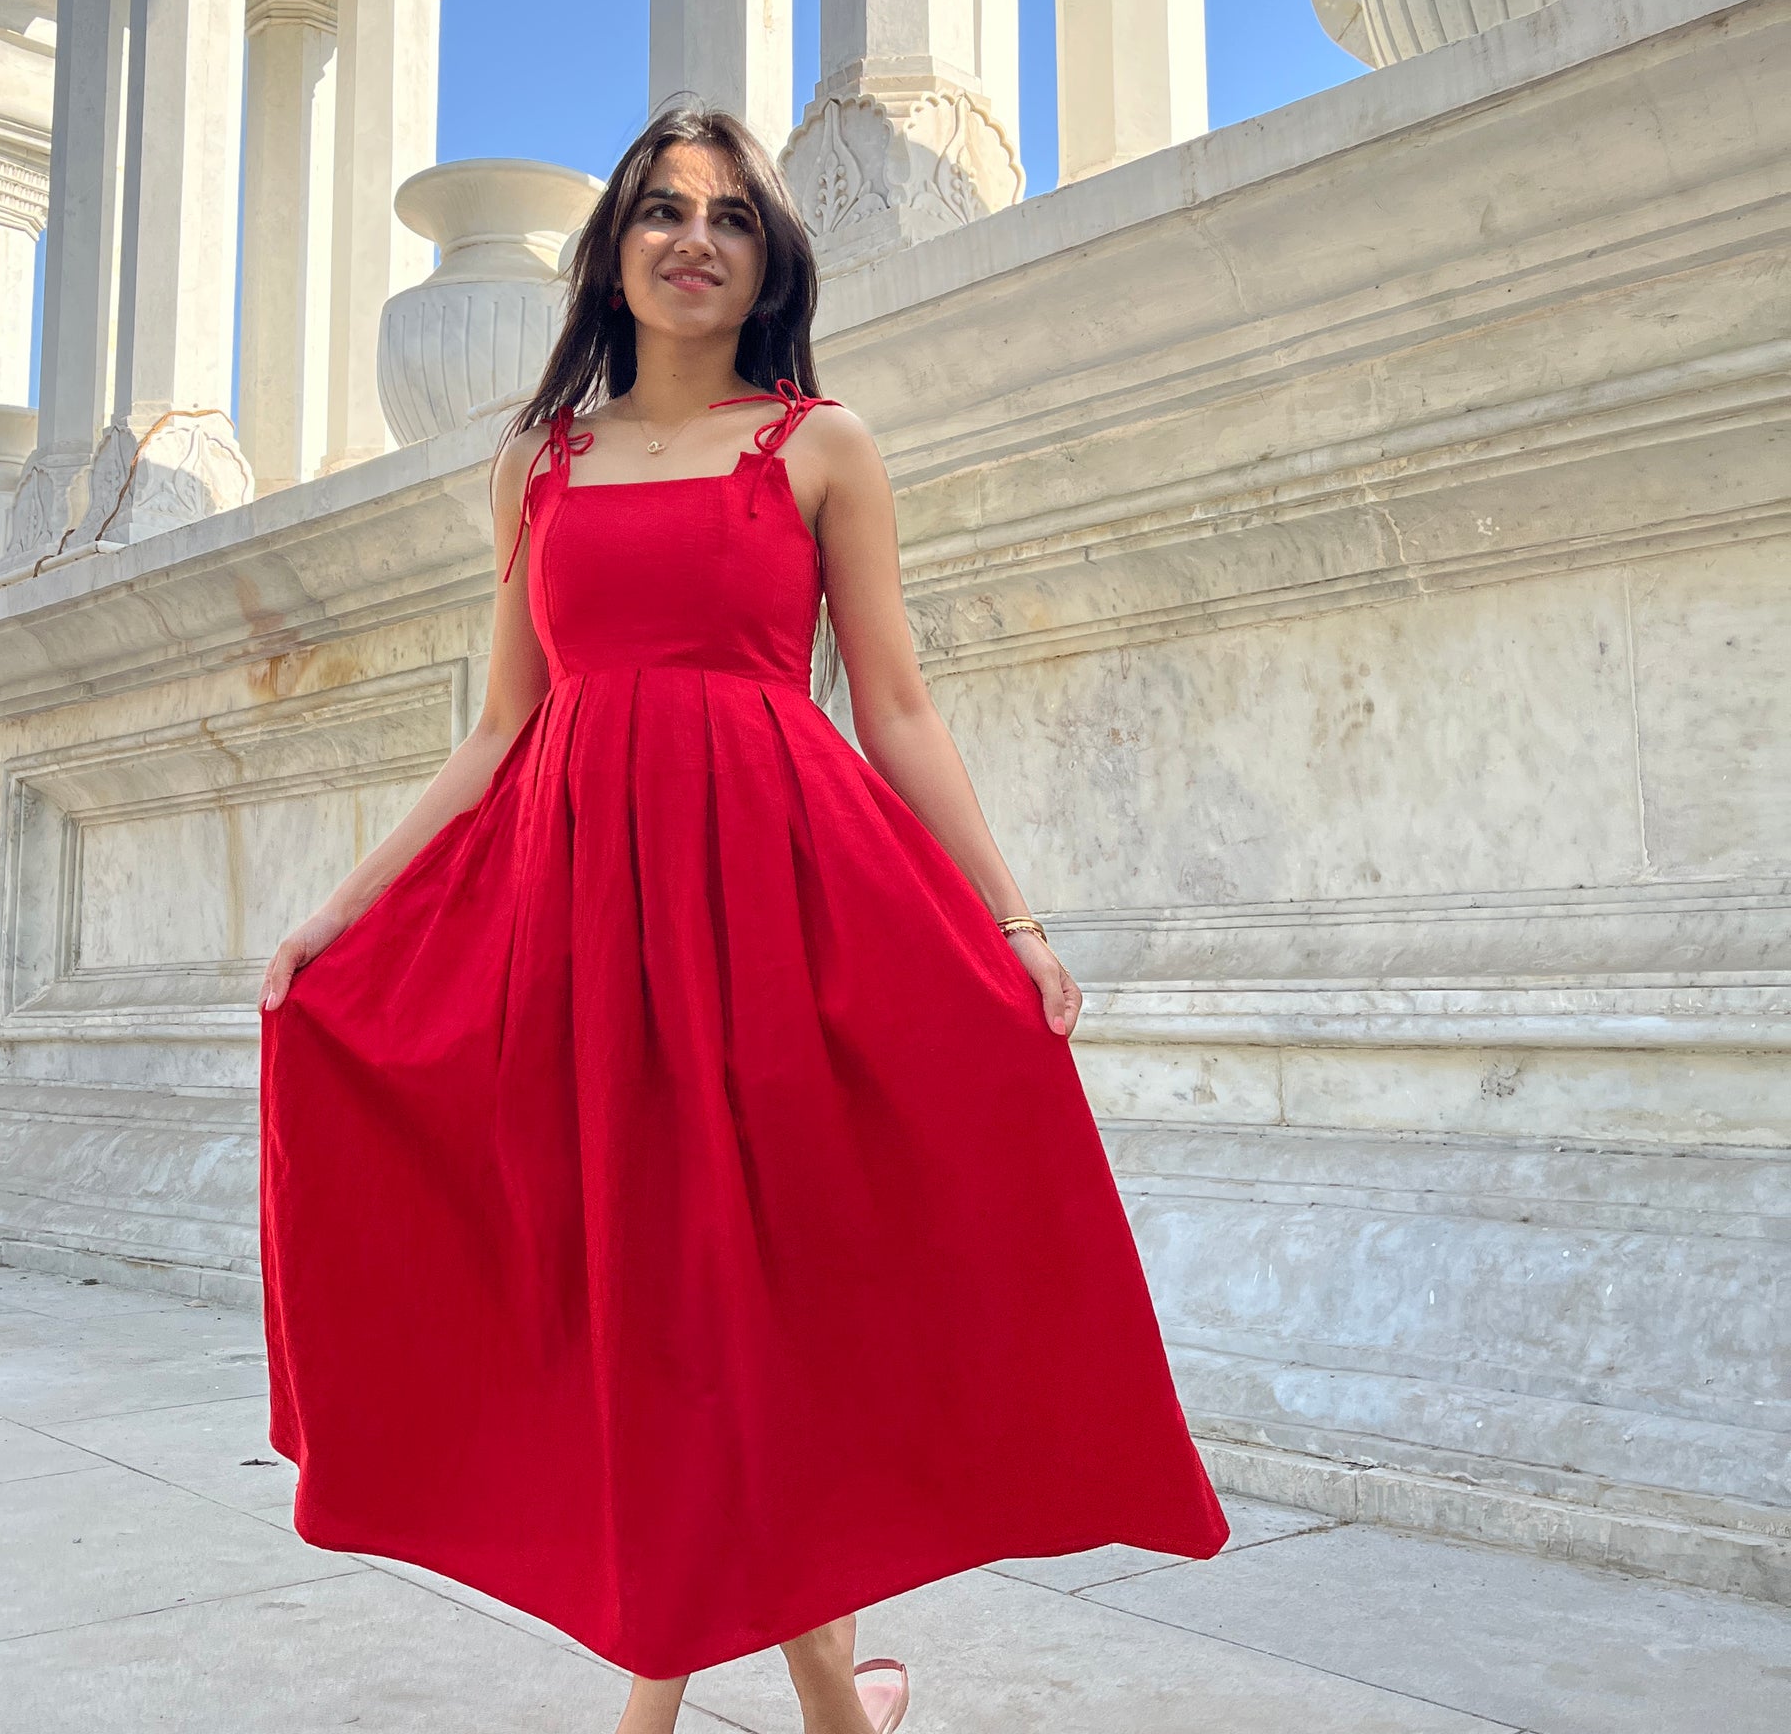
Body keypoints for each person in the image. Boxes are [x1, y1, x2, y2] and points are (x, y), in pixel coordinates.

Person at [257, 104, 1227, 1734]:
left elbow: (899, 709)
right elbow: (499, 729)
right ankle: (837, 1701)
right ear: (614, 251)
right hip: (583, 924)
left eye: (729, 216)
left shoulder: (824, 445)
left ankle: (690, 1708)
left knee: (759, 1304)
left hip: (783, 907)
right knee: (653, 1301)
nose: (693, 238)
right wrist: (334, 920)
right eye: (660, 211)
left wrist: (1013, 924)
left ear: (768, 258)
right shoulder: (535, 464)